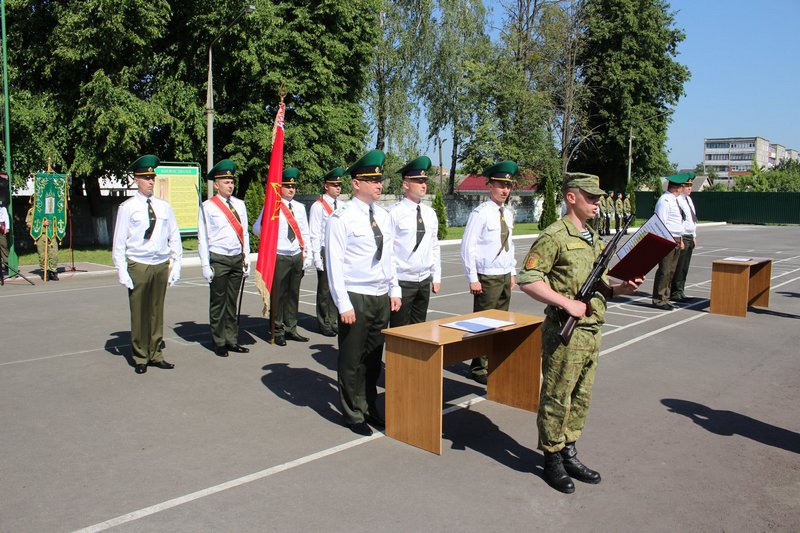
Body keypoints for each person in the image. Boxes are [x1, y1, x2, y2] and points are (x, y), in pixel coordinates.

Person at [518, 172, 643, 494]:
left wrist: (619, 290)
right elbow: (529, 279)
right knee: (557, 397)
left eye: (599, 198)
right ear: (571, 197)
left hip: (591, 330)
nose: (598, 203)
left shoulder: (592, 236)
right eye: (591, 197)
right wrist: (566, 303)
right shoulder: (554, 236)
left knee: (580, 397)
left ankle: (569, 450)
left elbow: (595, 283)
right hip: (565, 331)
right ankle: (551, 459)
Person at [325, 149, 401, 436]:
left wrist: (394, 289)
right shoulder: (341, 217)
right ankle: (352, 412)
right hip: (355, 295)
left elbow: (389, 257)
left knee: (372, 358)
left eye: (380, 180)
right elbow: (334, 264)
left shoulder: (383, 215)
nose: (379, 185)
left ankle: (369, 406)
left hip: (380, 296)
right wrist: (343, 303)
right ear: (356, 183)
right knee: (352, 357)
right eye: (372, 180)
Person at [112, 155, 182, 374]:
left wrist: (176, 263)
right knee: (140, 312)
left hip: (160, 264)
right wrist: (122, 270)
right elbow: (119, 242)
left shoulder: (163, 206)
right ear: (136, 180)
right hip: (139, 264)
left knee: (156, 311)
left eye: (152, 177)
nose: (151, 181)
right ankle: (140, 356)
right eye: (146, 178)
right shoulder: (128, 207)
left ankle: (156, 353)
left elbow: (174, 235)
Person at [460, 160, 518, 385]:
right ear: (489, 186)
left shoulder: (508, 213)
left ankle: (494, 362)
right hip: (487, 275)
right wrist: (472, 278)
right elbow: (468, 246)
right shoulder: (481, 213)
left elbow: (509, 244)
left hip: (503, 275)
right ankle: (477, 368)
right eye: (500, 185)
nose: (505, 190)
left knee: (501, 323)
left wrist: (512, 271)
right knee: (483, 324)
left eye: (508, 186)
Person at [198, 159, 251, 358]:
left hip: (236, 257)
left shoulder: (240, 205)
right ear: (216, 184)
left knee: (232, 302)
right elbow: (203, 237)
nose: (230, 185)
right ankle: (219, 341)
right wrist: (205, 264)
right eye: (226, 182)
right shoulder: (208, 207)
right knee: (218, 302)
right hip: (219, 258)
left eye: (232, 182)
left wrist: (246, 258)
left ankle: (232, 339)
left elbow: (244, 232)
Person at [253, 167, 312, 346]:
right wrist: (268, 238)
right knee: (278, 296)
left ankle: (291, 328)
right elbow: (257, 229)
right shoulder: (272, 206)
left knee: (293, 295)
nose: (291, 190)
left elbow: (305, 232)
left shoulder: (300, 208)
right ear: (280, 188)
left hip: (295, 255)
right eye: (287, 187)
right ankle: (277, 330)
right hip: (279, 255)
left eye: (293, 187)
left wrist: (307, 254)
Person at [388, 155, 441, 327]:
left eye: (424, 180)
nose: (423, 184)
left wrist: (436, 275)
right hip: (402, 280)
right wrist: (393, 284)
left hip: (423, 280)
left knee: (420, 330)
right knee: (400, 331)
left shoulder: (430, 213)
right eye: (418, 181)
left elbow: (434, 245)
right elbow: (388, 251)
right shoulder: (393, 213)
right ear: (405, 184)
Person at [308, 166, 345, 337]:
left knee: (337, 286)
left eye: (339, 185)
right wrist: (316, 256)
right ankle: (324, 323)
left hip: (339, 249)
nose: (338, 188)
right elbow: (314, 232)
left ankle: (334, 320)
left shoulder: (344, 205)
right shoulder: (318, 206)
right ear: (326, 186)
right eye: (334, 185)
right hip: (324, 249)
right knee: (324, 289)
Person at [651, 173, 689, 310]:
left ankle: (665, 297)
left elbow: (678, 222)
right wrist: (664, 241)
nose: (683, 188)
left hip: (676, 238)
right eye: (682, 186)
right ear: (677, 188)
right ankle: (659, 299)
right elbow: (660, 222)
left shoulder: (674, 200)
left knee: (671, 271)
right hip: (668, 239)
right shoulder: (665, 200)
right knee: (665, 270)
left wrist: (681, 240)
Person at [670, 175, 697, 302]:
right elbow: (680, 221)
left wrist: (694, 235)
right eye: (687, 186)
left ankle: (681, 291)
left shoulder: (689, 200)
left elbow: (693, 219)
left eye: (691, 186)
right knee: (679, 266)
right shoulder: (678, 200)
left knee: (685, 267)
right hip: (683, 236)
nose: (689, 188)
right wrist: (680, 238)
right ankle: (675, 292)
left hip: (689, 236)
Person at [26, 203, 59, 280]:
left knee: (54, 254)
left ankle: (53, 271)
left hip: (52, 234)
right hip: (40, 235)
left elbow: (58, 220)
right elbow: (29, 224)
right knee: (42, 255)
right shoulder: (32, 210)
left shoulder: (51, 209)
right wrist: (42, 224)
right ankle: (45, 272)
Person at [0, 201, 9, 276]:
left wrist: (7, 227)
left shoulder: (2, 208)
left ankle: (6, 264)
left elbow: (6, 217)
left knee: (3, 246)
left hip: (1, 228)